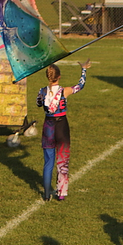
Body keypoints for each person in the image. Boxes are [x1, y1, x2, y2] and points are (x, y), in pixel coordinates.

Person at [36, 58, 90, 201]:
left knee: (48, 162)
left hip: (48, 127)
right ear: (59, 76)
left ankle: (46, 194)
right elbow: (80, 85)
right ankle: (61, 193)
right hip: (62, 126)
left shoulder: (42, 91)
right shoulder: (64, 91)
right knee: (63, 161)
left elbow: (38, 103)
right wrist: (83, 70)